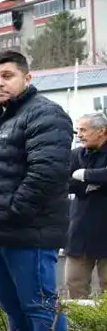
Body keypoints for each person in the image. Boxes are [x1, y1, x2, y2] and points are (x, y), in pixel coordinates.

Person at [0, 50, 73, 331]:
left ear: (27, 77)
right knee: (12, 309)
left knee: (39, 307)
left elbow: (47, 173)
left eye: (7, 75)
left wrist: (13, 213)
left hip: (29, 232)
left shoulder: (45, 113)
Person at [67, 113, 107, 298]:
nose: (79, 135)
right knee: (74, 284)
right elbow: (64, 182)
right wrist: (89, 186)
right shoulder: (76, 154)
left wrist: (85, 175)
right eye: (78, 130)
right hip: (80, 231)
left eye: (83, 130)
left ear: (101, 131)